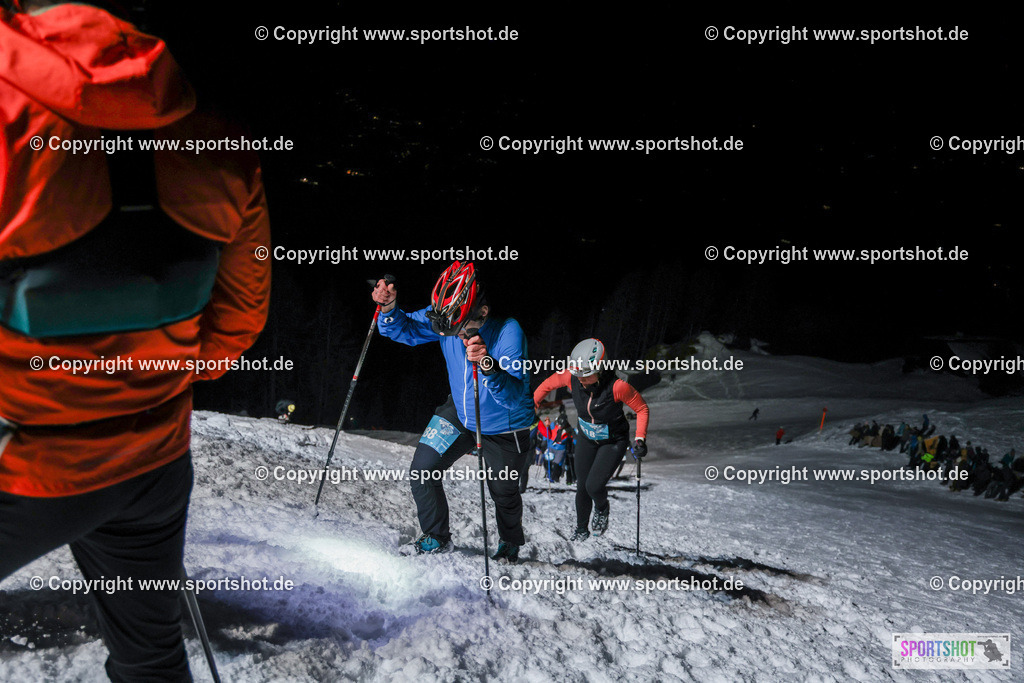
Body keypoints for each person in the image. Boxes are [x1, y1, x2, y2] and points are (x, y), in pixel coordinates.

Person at [0, 3, 271, 680]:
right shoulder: (221, 142)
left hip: (22, 462)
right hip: (149, 460)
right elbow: (236, 327)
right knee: (149, 651)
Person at [372, 261, 534, 563]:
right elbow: (406, 327)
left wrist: (487, 365)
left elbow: (515, 396)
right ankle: (436, 536)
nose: (450, 333)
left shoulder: (509, 332)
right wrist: (390, 308)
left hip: (504, 427)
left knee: (503, 492)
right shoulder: (448, 316)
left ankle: (510, 542)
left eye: (457, 327)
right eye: (445, 325)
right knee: (422, 470)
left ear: (481, 313)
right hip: (460, 414)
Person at [533, 338, 649, 541]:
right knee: (582, 486)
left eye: (586, 375)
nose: (580, 380)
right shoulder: (572, 377)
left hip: (612, 441)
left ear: (601, 369)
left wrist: (640, 439)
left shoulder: (618, 387)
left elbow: (641, 408)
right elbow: (547, 385)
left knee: (594, 486)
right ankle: (581, 529)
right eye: (578, 375)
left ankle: (602, 508)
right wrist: (532, 405)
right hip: (587, 438)